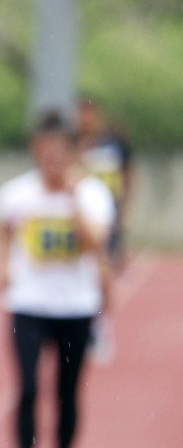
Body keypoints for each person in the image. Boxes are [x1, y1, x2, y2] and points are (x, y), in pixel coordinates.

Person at [0, 109, 114, 448]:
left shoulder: (93, 195)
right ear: (35, 150)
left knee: (67, 393)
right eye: (45, 154)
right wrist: (1, 266)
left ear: (72, 154)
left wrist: (72, 198)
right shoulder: (16, 193)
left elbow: (97, 242)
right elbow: (3, 232)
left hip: (76, 307)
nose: (52, 163)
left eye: (60, 155)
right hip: (28, 305)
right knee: (26, 388)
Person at [76, 96, 136, 364]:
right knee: (84, 274)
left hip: (107, 216)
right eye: (81, 114)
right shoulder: (73, 143)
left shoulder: (115, 142)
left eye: (89, 114)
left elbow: (129, 174)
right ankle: (83, 326)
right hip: (81, 218)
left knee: (105, 272)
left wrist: (125, 209)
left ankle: (100, 328)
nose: (86, 119)